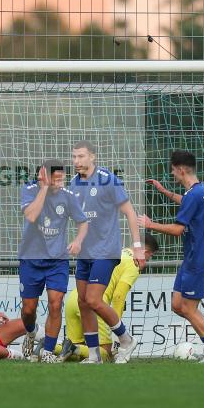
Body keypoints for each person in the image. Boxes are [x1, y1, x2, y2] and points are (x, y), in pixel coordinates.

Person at [140, 150, 204, 363]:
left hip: (199, 259)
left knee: (189, 309)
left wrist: (150, 224)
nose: (172, 174)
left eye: (173, 170)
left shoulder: (194, 195)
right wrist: (165, 191)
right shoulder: (201, 190)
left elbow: (177, 230)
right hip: (192, 258)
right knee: (177, 304)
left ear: (181, 169)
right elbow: (188, 202)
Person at [68, 140, 146, 363]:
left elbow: (129, 212)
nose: (76, 161)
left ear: (92, 157)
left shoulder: (108, 179)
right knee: (83, 302)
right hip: (85, 253)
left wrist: (137, 247)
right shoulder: (73, 184)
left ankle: (126, 339)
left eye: (81, 156)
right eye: (74, 157)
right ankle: (94, 355)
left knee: (93, 299)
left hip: (106, 251)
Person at [19, 160, 88, 363]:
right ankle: (31, 332)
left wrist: (78, 240)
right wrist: (44, 189)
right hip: (31, 260)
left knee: (55, 304)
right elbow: (31, 216)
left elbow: (83, 222)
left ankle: (47, 351)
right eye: (56, 179)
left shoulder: (68, 196)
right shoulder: (30, 190)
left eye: (62, 179)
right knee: (28, 309)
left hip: (57, 260)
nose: (60, 183)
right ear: (45, 177)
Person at [58, 233, 159, 363]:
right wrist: (116, 327)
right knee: (105, 354)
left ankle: (49, 345)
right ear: (145, 252)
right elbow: (118, 296)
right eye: (150, 256)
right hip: (94, 302)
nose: (148, 260)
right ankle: (72, 348)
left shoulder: (116, 253)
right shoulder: (134, 262)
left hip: (75, 299)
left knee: (76, 353)